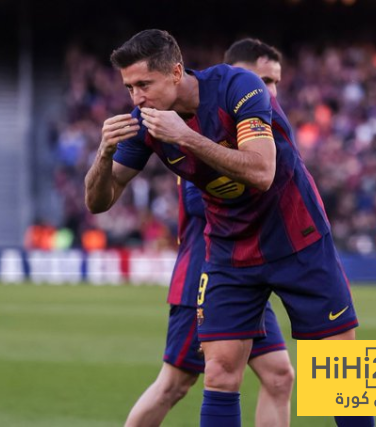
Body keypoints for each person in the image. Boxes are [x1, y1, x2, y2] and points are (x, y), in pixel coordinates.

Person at [85, 29, 374, 426]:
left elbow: (262, 172)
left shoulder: (239, 86)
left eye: (144, 85)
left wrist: (186, 137)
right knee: (219, 373)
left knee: (342, 372)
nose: (137, 98)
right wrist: (103, 155)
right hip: (229, 248)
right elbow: (99, 202)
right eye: (130, 88)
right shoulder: (146, 123)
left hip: (296, 237)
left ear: (175, 72)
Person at [125, 39, 293, 427]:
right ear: (237, 79)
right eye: (263, 80)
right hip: (208, 271)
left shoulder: (259, 131)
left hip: (250, 271)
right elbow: (215, 202)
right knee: (175, 384)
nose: (270, 91)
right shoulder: (207, 135)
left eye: (275, 82)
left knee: (279, 376)